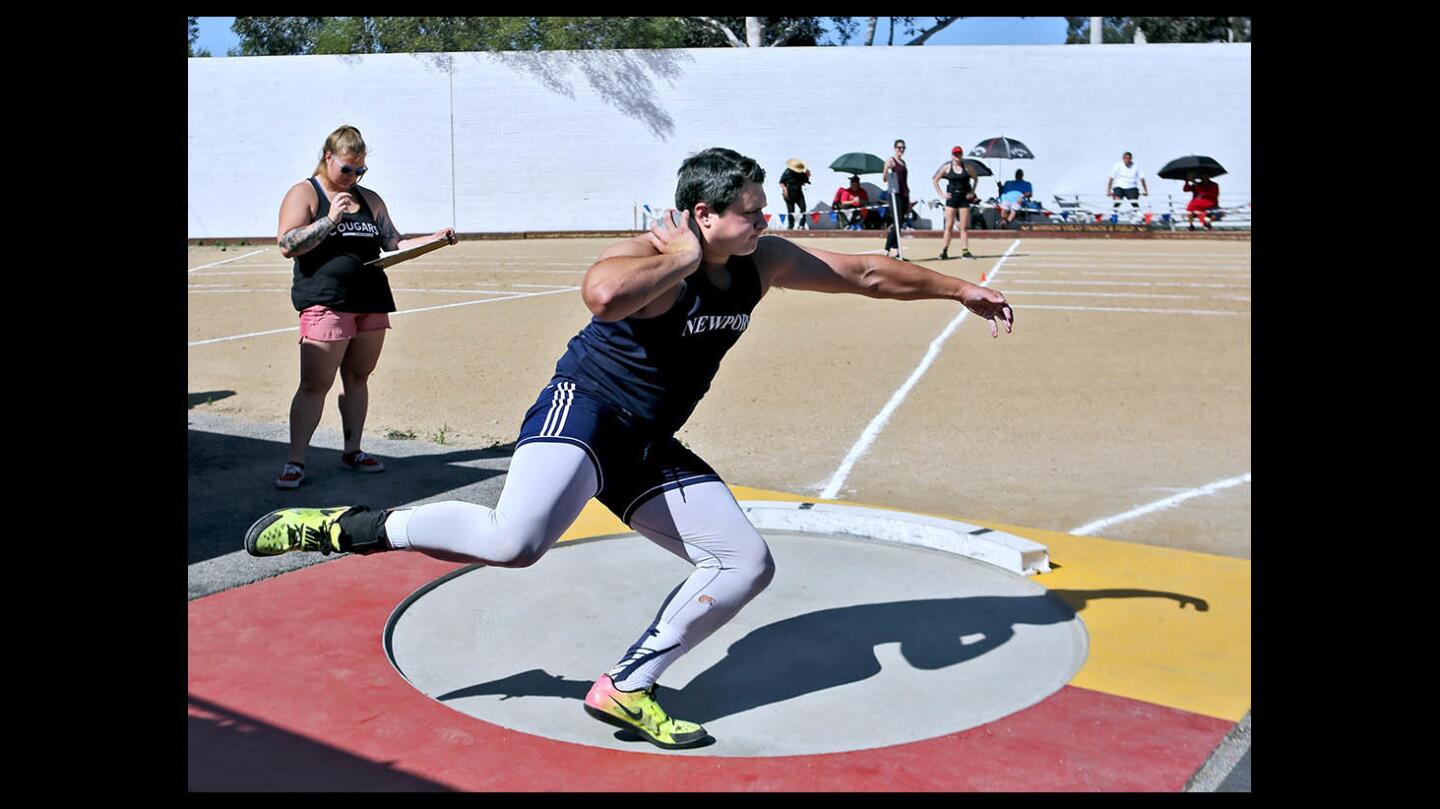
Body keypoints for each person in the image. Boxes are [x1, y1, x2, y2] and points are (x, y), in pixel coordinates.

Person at [243, 147, 1013, 751]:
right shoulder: (658, 263)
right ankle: (342, 528)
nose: (765, 219)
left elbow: (865, 272)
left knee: (746, 561)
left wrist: (959, 291)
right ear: (703, 215)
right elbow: (602, 294)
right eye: (749, 211)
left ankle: (626, 684)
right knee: (515, 542)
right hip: (583, 412)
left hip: (644, 440)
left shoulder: (762, 261)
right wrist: (681, 256)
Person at [273, 124, 456, 489]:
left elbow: (393, 241)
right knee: (315, 383)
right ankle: (296, 460)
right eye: (347, 169)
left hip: (371, 300)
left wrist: (433, 239)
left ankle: (352, 449)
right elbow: (287, 243)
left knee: (357, 377)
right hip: (326, 301)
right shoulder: (305, 193)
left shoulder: (369, 199)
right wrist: (329, 220)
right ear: (329, 158)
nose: (354, 176)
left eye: (360, 170)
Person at [932, 146, 979, 259]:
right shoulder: (947, 167)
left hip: (963, 199)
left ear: (962, 154)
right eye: (955, 154)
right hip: (952, 199)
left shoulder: (967, 168)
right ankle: (944, 251)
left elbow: (976, 178)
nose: (957, 156)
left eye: (959, 154)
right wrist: (942, 194)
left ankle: (965, 250)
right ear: (952, 155)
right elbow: (935, 180)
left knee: (963, 227)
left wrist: (972, 192)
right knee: (949, 226)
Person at [882, 139, 910, 258]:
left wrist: (908, 198)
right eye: (899, 147)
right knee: (897, 222)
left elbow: (905, 181)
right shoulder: (890, 161)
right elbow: (884, 179)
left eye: (903, 147)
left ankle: (896, 250)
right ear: (895, 148)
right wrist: (886, 168)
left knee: (900, 222)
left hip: (904, 194)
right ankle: (887, 250)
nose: (901, 150)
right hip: (894, 194)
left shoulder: (903, 162)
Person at [1106, 151, 1148, 221]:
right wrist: (1108, 190)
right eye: (1126, 158)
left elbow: (1142, 178)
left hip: (1131, 186)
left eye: (1129, 158)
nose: (1127, 160)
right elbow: (1111, 178)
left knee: (1134, 200)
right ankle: (1113, 213)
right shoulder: (1117, 165)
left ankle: (1138, 213)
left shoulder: (1136, 166)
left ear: (1131, 159)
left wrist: (1145, 190)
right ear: (1123, 158)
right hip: (1119, 185)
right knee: (1117, 199)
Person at [778, 159, 811, 230]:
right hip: (789, 193)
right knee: (790, 211)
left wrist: (807, 175)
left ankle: (801, 225)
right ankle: (790, 226)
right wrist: (785, 189)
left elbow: (805, 181)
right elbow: (781, 182)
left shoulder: (800, 173)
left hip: (799, 193)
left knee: (803, 208)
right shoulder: (787, 172)